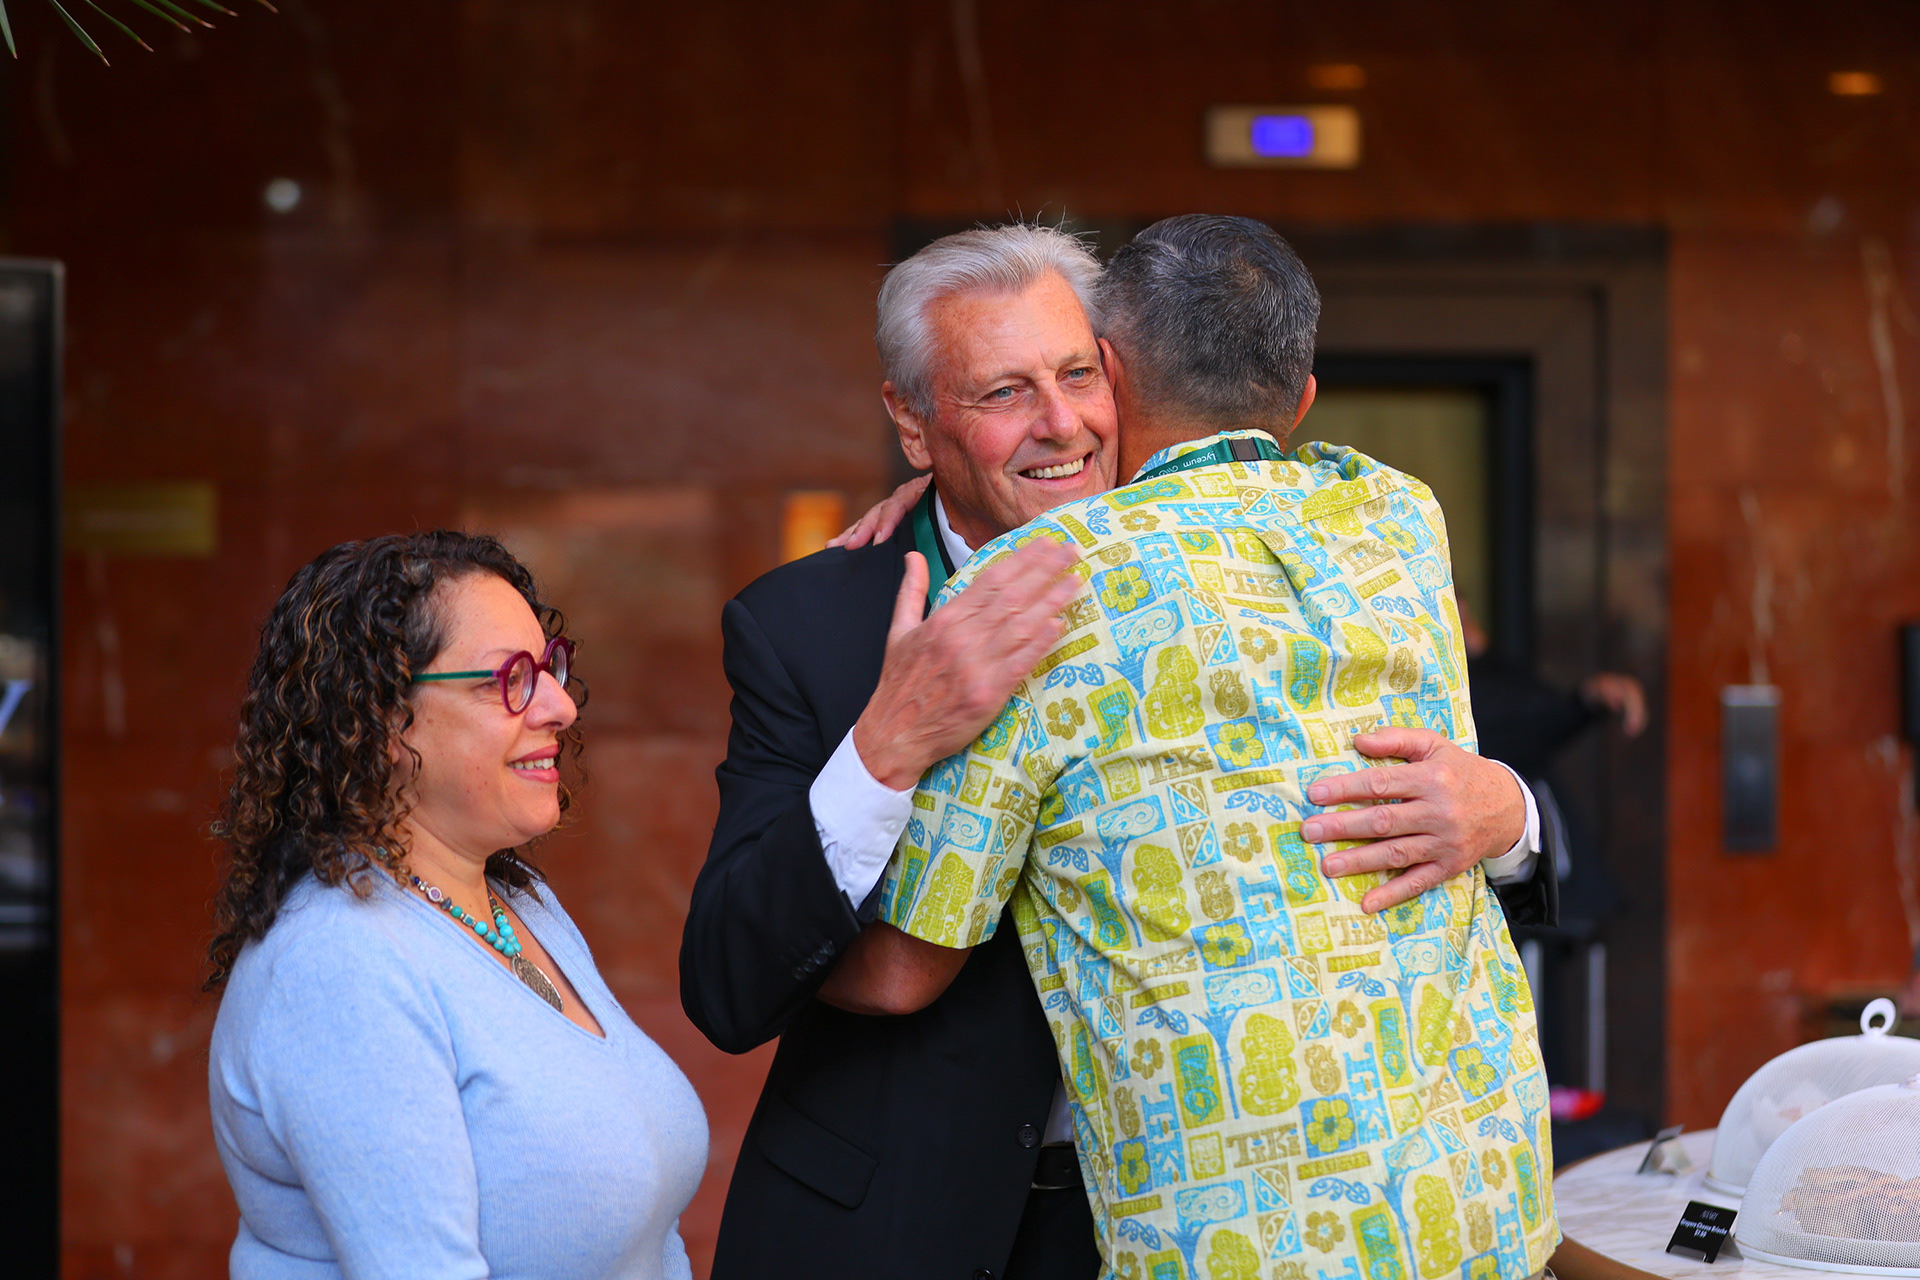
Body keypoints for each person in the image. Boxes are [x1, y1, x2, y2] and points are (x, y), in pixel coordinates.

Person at [683, 224, 1549, 1280]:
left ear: (1124, 374)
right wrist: (884, 746)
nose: (1060, 424)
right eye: (1002, 393)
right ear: (912, 423)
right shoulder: (805, 624)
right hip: (903, 1229)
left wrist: (1508, 811)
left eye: (1078, 375)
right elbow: (728, 986)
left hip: (1183, 1228)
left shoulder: (1307, 551)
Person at [206, 531, 707, 1279]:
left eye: (550, 667)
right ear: (383, 718)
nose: (561, 706)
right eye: (510, 679)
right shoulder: (341, 965)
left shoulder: (519, 902)